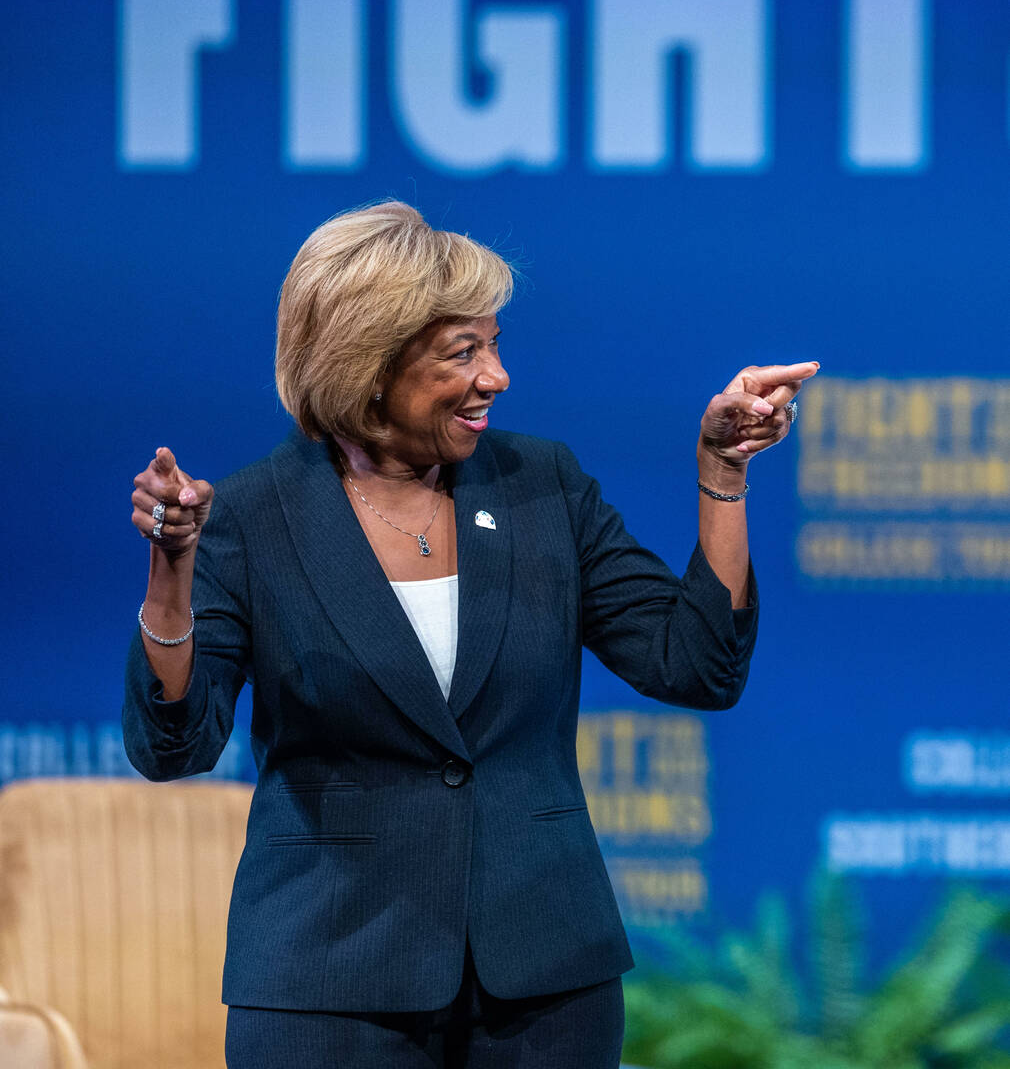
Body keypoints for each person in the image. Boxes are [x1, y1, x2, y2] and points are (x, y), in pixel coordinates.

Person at [124, 200, 817, 1069]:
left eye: (494, 345)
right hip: (329, 983)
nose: (498, 376)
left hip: (544, 978)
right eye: (464, 353)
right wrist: (174, 568)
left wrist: (723, 474)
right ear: (368, 363)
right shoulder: (255, 516)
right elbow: (172, 747)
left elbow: (697, 667)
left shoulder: (542, 486)